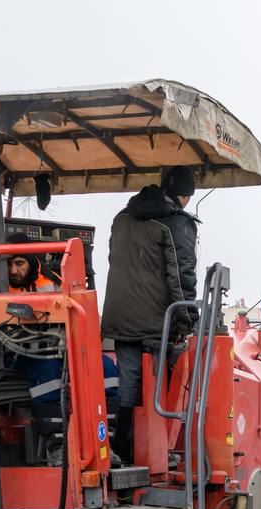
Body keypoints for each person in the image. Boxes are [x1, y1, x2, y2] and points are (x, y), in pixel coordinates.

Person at [102, 165, 199, 464]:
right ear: (183, 196)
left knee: (129, 383)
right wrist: (187, 321)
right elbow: (181, 275)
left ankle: (125, 450)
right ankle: (157, 452)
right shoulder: (177, 222)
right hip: (158, 320)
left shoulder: (122, 218)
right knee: (163, 384)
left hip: (121, 317)